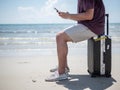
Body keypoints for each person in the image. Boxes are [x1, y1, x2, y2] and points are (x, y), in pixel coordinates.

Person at [45, 0, 105, 82]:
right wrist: (68, 15)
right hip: (92, 25)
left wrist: (68, 16)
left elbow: (89, 15)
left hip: (93, 27)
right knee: (61, 36)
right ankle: (63, 67)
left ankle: (61, 73)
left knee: (60, 37)